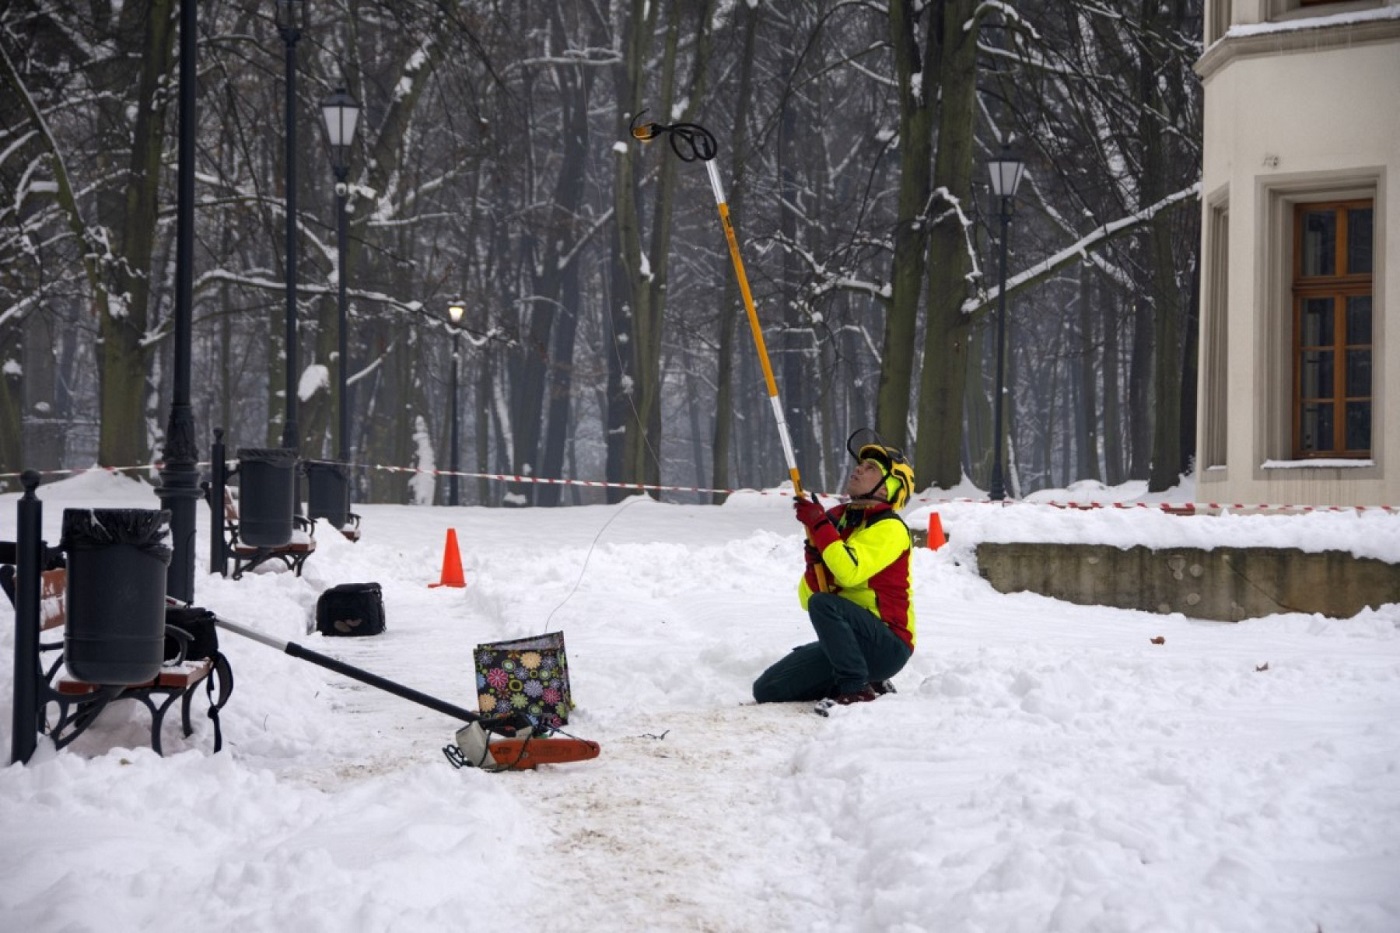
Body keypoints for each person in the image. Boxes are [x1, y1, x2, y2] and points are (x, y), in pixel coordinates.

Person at [753, 429, 916, 706]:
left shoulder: (890, 528)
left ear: (889, 488)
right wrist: (814, 558)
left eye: (871, 468)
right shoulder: (839, 521)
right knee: (767, 690)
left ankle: (857, 689)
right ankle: (866, 680)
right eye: (860, 465)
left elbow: (848, 572)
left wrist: (820, 527)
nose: (859, 469)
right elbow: (807, 599)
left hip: (887, 645)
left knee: (825, 605)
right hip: (850, 642)